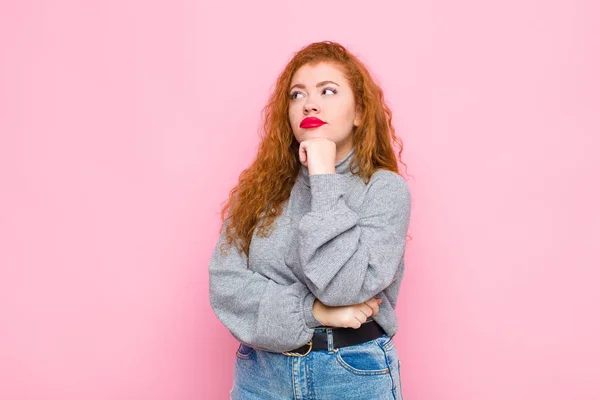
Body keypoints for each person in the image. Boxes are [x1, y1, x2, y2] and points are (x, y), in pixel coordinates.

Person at [208, 40, 411, 400]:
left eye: (328, 91)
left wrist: (323, 174)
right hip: (260, 375)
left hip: (351, 374)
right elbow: (226, 287)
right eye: (296, 95)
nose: (309, 103)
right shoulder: (259, 191)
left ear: (360, 112)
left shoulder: (384, 191)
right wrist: (314, 310)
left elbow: (344, 289)